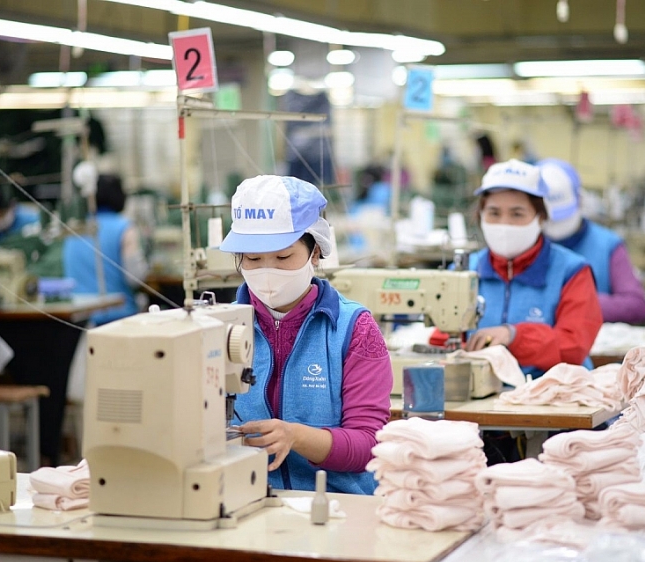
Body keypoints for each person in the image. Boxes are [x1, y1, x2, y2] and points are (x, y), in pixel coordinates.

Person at [219, 175, 392, 496]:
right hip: (247, 500)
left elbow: (370, 444)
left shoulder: (353, 328)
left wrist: (296, 437)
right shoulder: (220, 328)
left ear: (315, 252)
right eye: (253, 259)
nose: (267, 270)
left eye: (283, 257)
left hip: (338, 505)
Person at [434, 159, 602, 380]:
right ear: (480, 216)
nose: (504, 224)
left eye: (517, 214)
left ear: (540, 218)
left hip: (553, 392)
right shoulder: (464, 271)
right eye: (494, 213)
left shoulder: (571, 271)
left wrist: (514, 336)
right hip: (480, 391)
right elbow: (442, 338)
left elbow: (574, 345)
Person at [537, 158, 645, 325]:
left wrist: (575, 303)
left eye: (562, 217)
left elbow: (636, 305)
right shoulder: (526, 246)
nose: (555, 226)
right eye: (549, 219)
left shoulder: (608, 245)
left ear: (580, 200)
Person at [63, 174, 145, 326]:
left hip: (80, 319)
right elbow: (135, 278)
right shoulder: (124, 228)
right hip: (118, 318)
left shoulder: (74, 230)